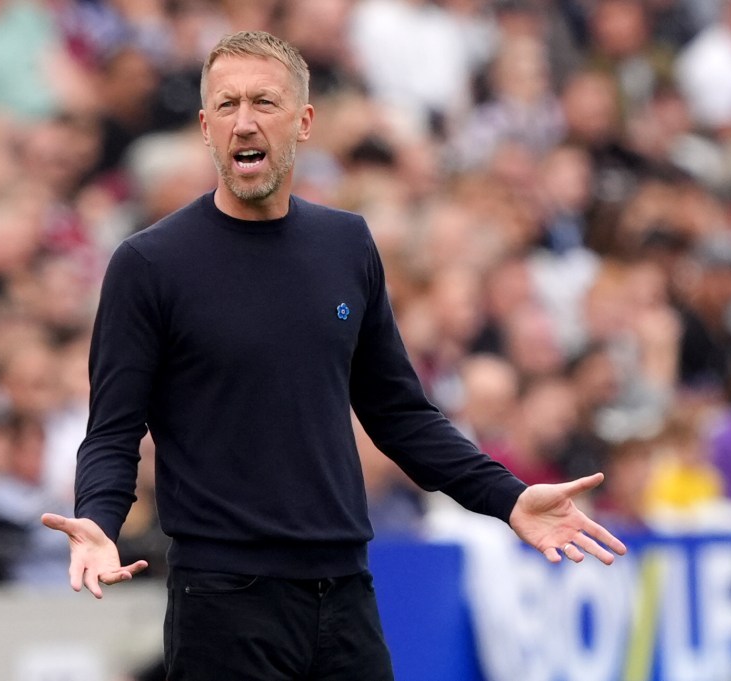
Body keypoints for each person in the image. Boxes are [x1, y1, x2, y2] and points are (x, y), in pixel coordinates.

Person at [42, 31, 627, 681]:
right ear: (205, 127)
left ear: (304, 121)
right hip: (223, 601)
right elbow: (113, 429)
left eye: (264, 102)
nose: (244, 122)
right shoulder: (149, 264)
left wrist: (508, 498)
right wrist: (98, 519)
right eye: (227, 105)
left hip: (346, 593)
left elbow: (401, 414)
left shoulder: (346, 244)